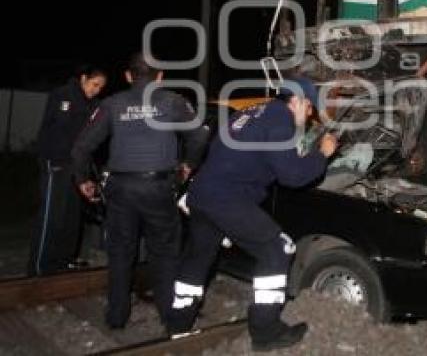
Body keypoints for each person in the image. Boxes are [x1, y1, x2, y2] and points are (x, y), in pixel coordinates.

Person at [166, 76, 338, 351]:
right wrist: (322, 155)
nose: (309, 116)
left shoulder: (251, 112)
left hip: (203, 194)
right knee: (277, 249)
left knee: (198, 258)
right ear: (297, 101)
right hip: (226, 198)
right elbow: (292, 175)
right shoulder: (280, 118)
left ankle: (177, 324)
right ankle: (265, 330)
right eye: (309, 110)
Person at [71, 52, 207, 329]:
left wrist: (84, 180)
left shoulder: (112, 104)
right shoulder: (173, 101)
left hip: (120, 190)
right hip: (159, 188)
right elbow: (200, 135)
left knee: (120, 253)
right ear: (160, 77)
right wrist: (188, 165)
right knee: (165, 254)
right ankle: (171, 319)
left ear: (128, 76)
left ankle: (116, 317)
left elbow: (81, 148)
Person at [28, 65, 107, 276]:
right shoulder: (63, 95)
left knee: (71, 216)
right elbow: (62, 131)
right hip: (55, 162)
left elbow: (91, 140)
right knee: (52, 215)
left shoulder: (95, 105)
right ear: (83, 78)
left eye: (101, 87)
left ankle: (63, 261)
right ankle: (38, 266)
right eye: (94, 84)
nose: (97, 90)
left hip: (76, 167)